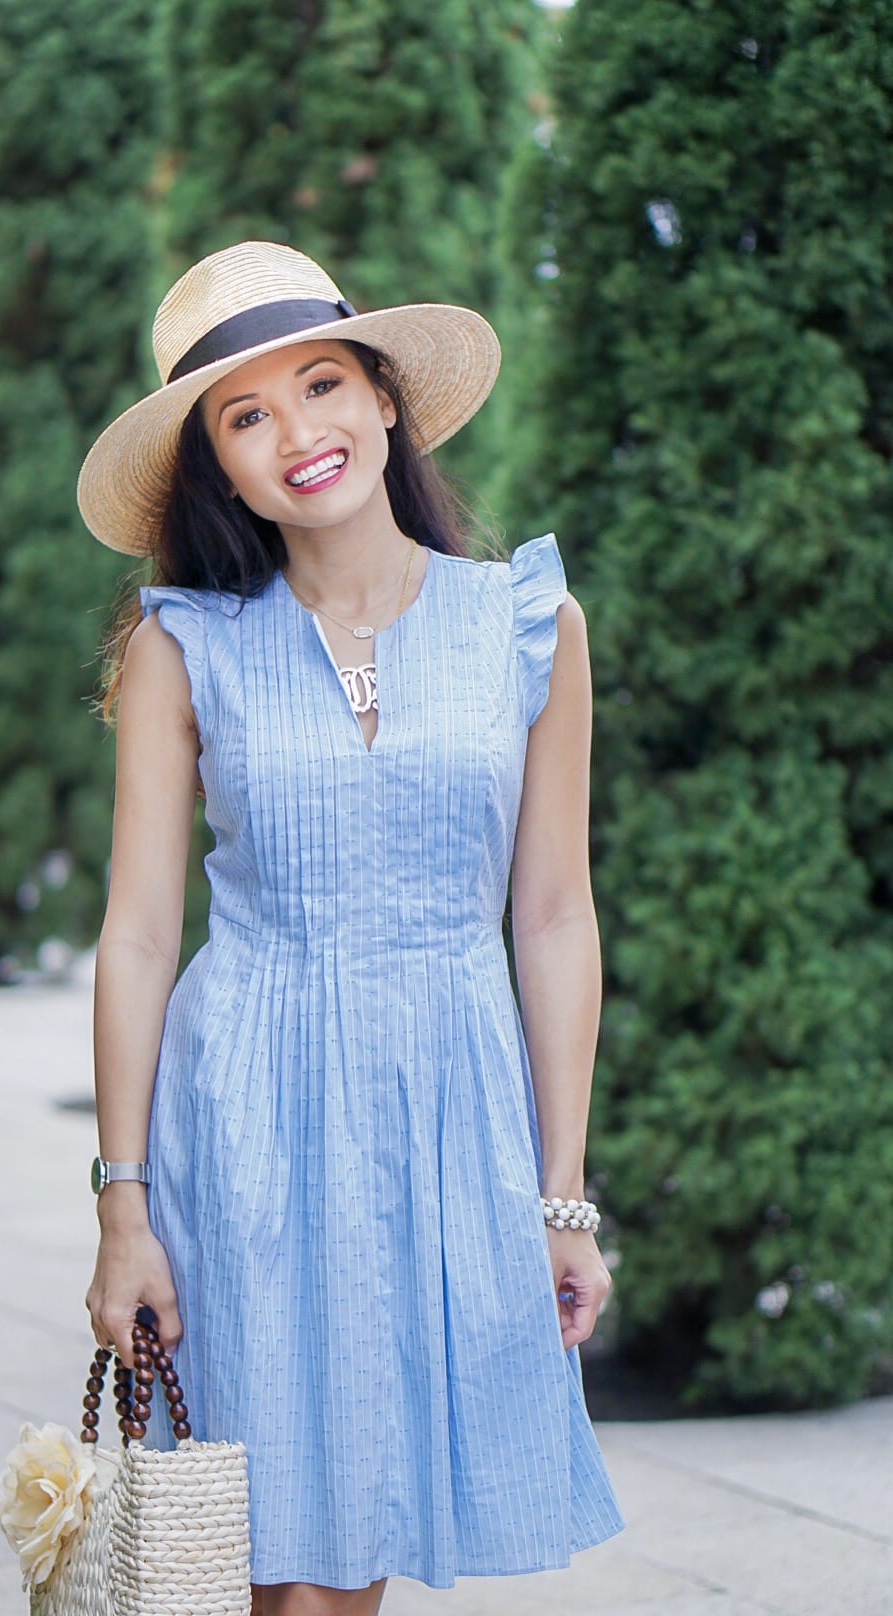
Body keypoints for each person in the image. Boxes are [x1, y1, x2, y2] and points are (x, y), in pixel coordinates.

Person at [77, 241, 625, 1614]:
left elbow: (553, 916)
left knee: (359, 1544)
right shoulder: (183, 645)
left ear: (386, 398)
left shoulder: (529, 628)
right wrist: (122, 1207)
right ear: (218, 467)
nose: (297, 434)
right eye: (245, 416)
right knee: (274, 1561)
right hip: (250, 1115)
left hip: (450, 1113)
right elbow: (139, 934)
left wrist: (563, 1196)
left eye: (321, 385)